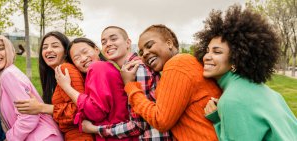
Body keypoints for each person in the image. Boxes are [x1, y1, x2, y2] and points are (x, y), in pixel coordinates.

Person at [194, 4, 297, 140]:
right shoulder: (267, 91)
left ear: (236, 58)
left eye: (217, 51)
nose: (206, 57)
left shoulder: (231, 100)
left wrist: (218, 121)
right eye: (207, 50)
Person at [120, 24, 221, 141]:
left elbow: (160, 120)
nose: (145, 53)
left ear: (169, 43)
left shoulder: (177, 64)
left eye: (149, 45)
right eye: (141, 53)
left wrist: (130, 86)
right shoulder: (186, 62)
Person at [76, 27, 173, 140]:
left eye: (113, 39)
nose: (108, 44)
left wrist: (96, 129)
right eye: (104, 42)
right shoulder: (127, 71)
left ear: (128, 43)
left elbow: (139, 125)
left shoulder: (137, 68)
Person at [55, 28, 140, 141]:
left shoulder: (98, 67)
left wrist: (67, 87)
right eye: (76, 58)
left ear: (96, 50)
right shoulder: (109, 68)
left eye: (85, 52)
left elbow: (95, 112)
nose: (83, 58)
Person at [13, 32, 94, 140]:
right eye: (44, 47)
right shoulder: (56, 75)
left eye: (55, 46)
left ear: (66, 52)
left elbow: (81, 110)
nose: (49, 50)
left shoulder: (66, 69)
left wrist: (41, 108)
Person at [0, 35, 63, 141]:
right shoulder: (6, 74)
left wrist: (10, 139)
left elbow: (29, 116)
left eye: (1, 48)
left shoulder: (8, 75)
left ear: (10, 51)